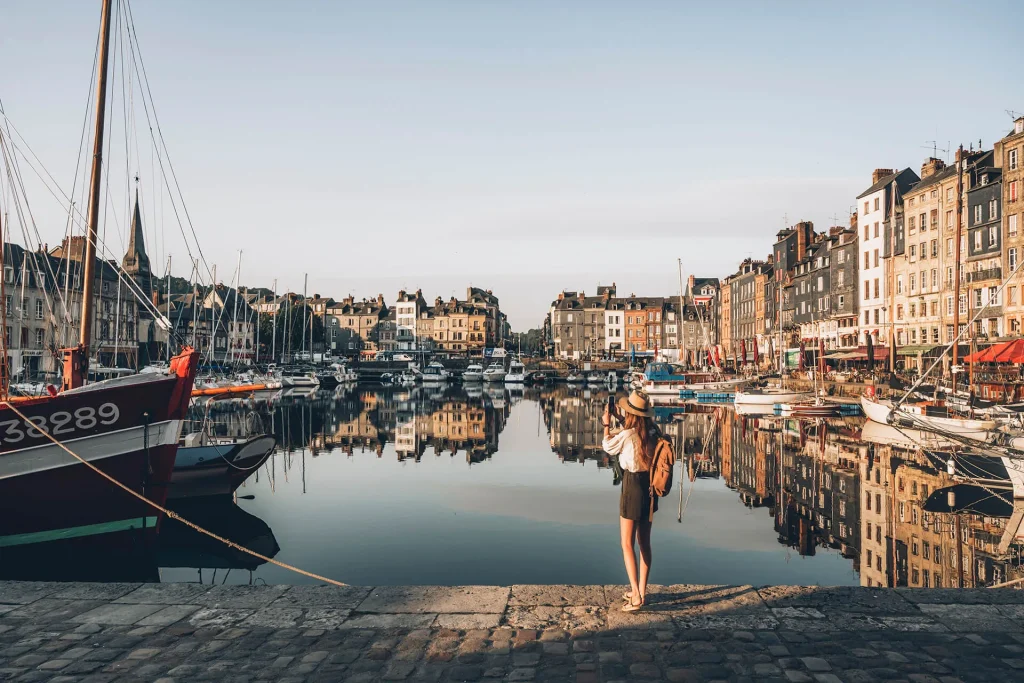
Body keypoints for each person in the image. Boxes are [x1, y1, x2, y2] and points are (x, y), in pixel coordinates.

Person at [602, 389, 658, 612]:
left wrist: (606, 425)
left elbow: (608, 446)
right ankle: (641, 591)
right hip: (650, 487)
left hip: (632, 486)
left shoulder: (627, 435)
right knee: (644, 542)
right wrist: (619, 421)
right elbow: (632, 432)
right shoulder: (654, 431)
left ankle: (635, 596)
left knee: (627, 543)